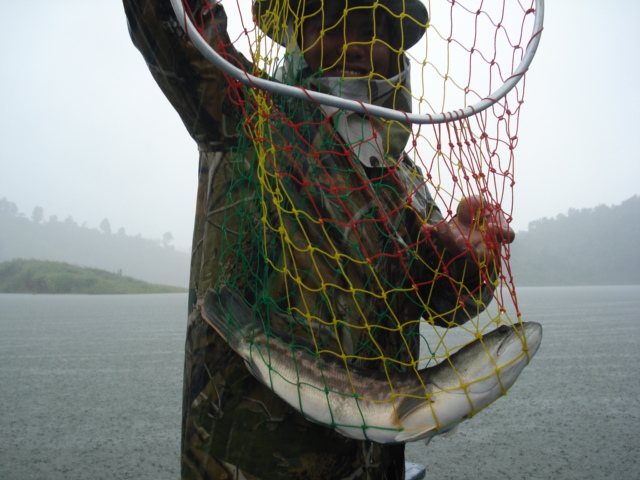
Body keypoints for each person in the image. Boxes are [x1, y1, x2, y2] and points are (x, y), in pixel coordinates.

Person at [123, 0, 515, 479]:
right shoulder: (246, 116)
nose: (353, 43)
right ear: (296, 34)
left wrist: (459, 259)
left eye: (373, 28)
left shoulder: (403, 179)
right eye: (331, 23)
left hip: (375, 463)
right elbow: (169, 27)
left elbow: (441, 303)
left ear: (397, 51)